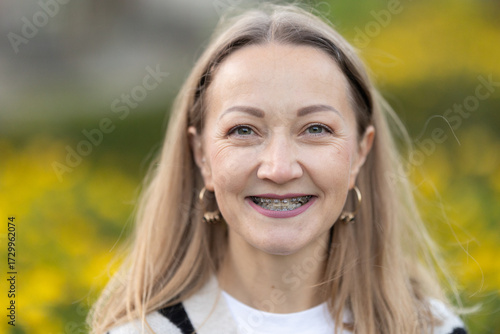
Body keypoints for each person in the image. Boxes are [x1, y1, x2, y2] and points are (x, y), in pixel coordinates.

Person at [88, 4, 467, 334]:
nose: (280, 168)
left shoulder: (433, 329)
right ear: (201, 154)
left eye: (316, 129)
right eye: (243, 130)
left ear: (360, 153)